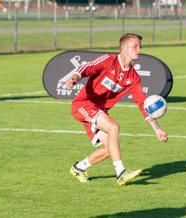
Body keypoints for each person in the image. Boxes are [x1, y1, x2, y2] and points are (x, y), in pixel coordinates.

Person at [66, 33, 168, 186]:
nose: (139, 50)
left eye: (140, 47)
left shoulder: (133, 77)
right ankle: (121, 173)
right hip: (83, 104)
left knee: (109, 150)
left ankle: (79, 168)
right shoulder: (109, 60)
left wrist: (157, 129)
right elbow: (87, 67)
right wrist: (75, 77)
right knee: (114, 127)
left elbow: (142, 104)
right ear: (125, 48)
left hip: (99, 110)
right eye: (136, 46)